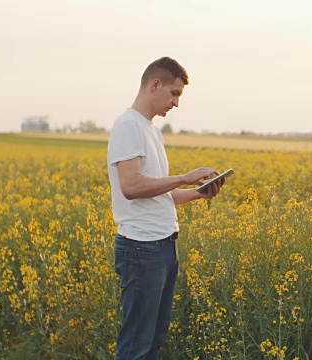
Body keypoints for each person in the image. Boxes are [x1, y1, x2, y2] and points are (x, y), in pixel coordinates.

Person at [107, 57, 224, 359]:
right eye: (174, 94)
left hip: (163, 245)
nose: (176, 103)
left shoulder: (150, 130)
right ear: (155, 84)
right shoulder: (128, 126)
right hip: (142, 248)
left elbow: (160, 195)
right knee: (136, 344)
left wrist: (198, 194)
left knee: (154, 339)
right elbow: (131, 187)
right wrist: (185, 176)